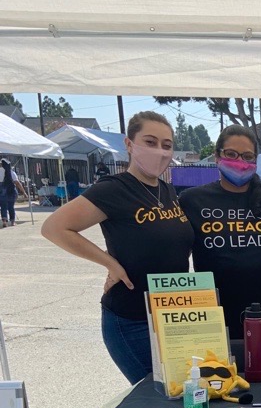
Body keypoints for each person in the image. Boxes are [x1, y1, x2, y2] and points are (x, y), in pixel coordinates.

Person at [41, 111, 192, 383]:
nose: (159, 151)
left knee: (179, 396)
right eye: (150, 142)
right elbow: (54, 227)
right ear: (129, 144)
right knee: (153, 399)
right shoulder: (113, 189)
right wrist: (110, 263)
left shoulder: (167, 191)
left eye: (166, 145)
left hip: (171, 317)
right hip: (131, 319)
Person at [179, 124, 261, 340]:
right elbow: (165, 243)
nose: (240, 162)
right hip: (215, 317)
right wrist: (114, 263)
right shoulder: (192, 200)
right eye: (231, 154)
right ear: (217, 155)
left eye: (248, 156)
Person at [0, 158, 25, 227]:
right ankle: (12, 221)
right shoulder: (11, 172)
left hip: (1, 190)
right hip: (11, 191)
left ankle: (4, 221)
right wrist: (24, 192)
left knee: (3, 206)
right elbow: (17, 183)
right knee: (11, 206)